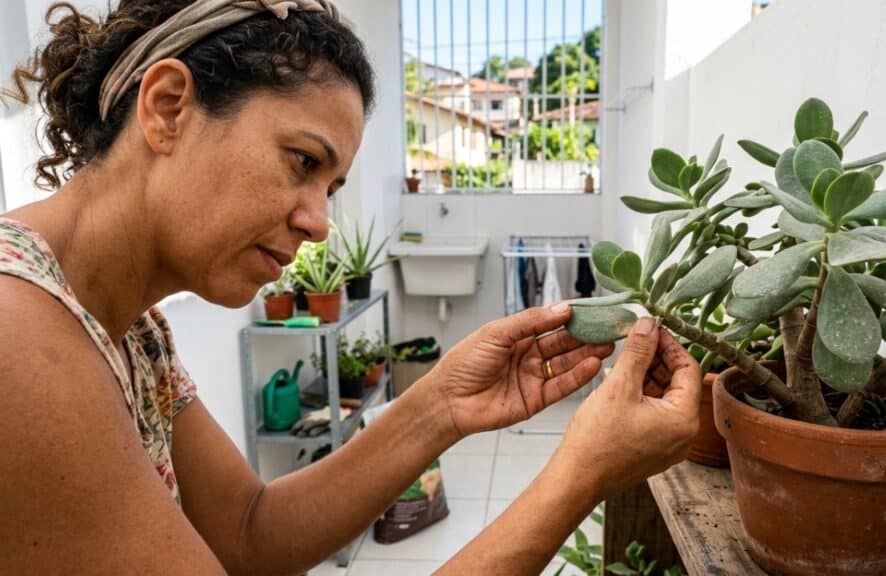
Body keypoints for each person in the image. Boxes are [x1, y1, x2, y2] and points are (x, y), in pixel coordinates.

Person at [0, 1, 702, 574]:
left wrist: (442, 405)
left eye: (331, 187)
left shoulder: (132, 331)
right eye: (302, 161)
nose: (320, 225)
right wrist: (579, 474)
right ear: (168, 107)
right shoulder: (16, 337)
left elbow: (250, 534)